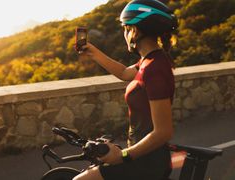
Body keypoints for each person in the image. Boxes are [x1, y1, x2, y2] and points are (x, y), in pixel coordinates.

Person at [73, 0, 178, 179]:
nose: (124, 33)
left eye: (125, 28)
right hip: (142, 155)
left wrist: (122, 156)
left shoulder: (154, 68)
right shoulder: (149, 61)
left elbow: (163, 131)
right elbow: (124, 72)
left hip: (146, 162)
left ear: (134, 31)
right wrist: (93, 52)